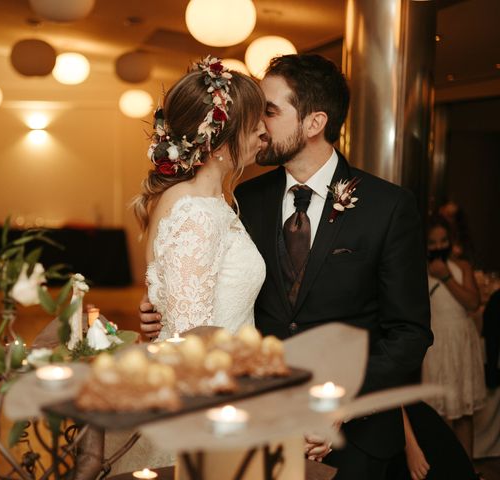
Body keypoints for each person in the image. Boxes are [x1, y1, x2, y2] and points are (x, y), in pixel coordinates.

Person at [140, 54, 433, 480]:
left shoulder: (388, 207)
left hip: (356, 439)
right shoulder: (241, 198)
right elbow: (203, 291)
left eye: (270, 111)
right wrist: (161, 311)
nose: (258, 124)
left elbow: (409, 335)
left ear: (314, 123)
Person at [133, 56, 267, 341]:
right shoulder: (195, 213)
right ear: (218, 140)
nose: (263, 132)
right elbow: (190, 338)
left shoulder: (210, 201)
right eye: (254, 124)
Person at [423, 216, 485, 458]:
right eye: (432, 242)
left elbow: (472, 302)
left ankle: (467, 469)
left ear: (451, 241)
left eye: (443, 240)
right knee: (435, 411)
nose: (438, 246)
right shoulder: (418, 269)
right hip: (436, 343)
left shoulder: (462, 267)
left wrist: (446, 276)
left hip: (461, 343)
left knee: (463, 410)